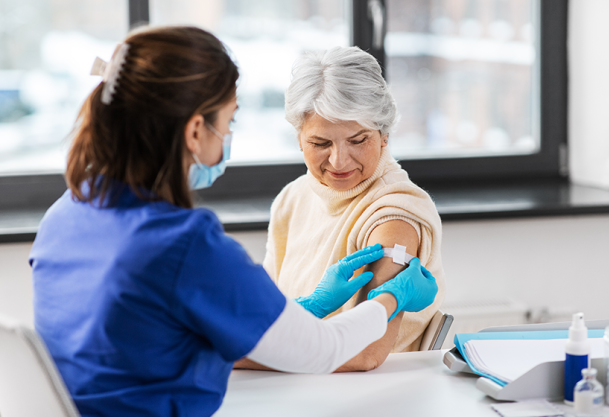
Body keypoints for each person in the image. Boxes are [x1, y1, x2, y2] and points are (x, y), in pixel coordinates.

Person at [28, 27, 438, 417]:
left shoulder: (63, 215)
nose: (228, 135)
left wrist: (305, 309)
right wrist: (392, 297)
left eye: (357, 139)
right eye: (229, 120)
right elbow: (325, 349)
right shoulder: (183, 244)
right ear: (194, 132)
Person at [243, 46, 446, 372]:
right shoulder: (292, 198)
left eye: (357, 140)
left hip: (365, 394)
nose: (338, 161)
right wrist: (309, 310)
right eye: (320, 143)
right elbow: (264, 319)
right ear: (298, 137)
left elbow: (366, 354)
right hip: (298, 381)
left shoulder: (394, 215)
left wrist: (239, 353)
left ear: (384, 135)